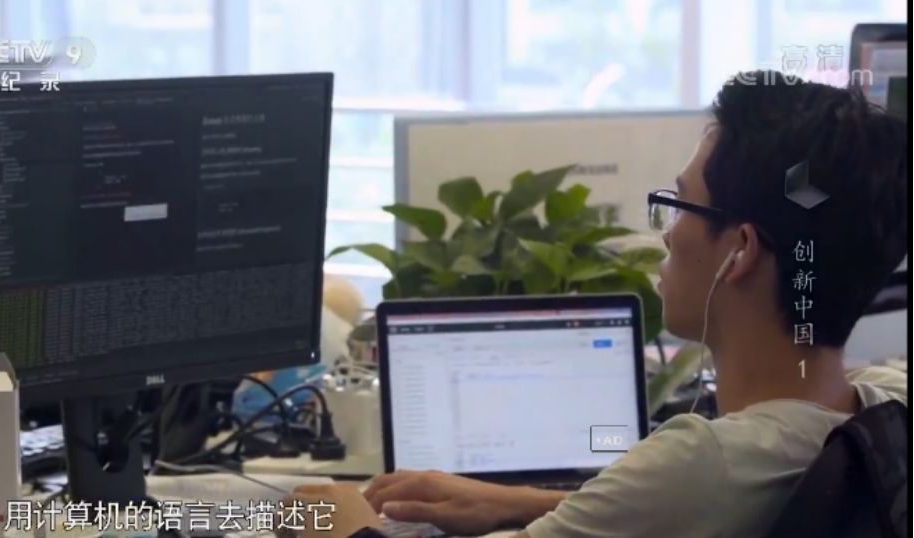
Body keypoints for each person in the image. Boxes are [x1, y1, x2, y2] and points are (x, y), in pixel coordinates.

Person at [289, 70, 909, 538]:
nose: (666, 234)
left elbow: (689, 487)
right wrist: (514, 502)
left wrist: (337, 521)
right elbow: (681, 507)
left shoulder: (701, 461)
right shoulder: (885, 407)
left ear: (739, 252)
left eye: (680, 206)